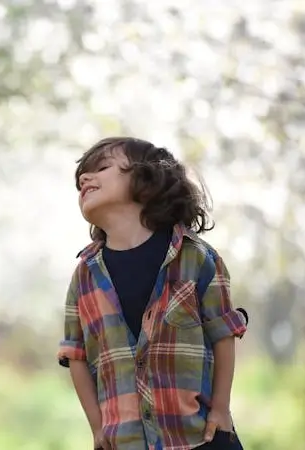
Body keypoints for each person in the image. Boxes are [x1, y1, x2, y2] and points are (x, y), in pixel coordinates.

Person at [57, 137, 249, 450]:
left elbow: (223, 332)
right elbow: (75, 355)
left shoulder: (195, 258)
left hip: (199, 439)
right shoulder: (84, 276)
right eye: (81, 178)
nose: (84, 179)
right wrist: (97, 427)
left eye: (102, 168)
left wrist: (221, 409)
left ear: (146, 181)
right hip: (125, 442)